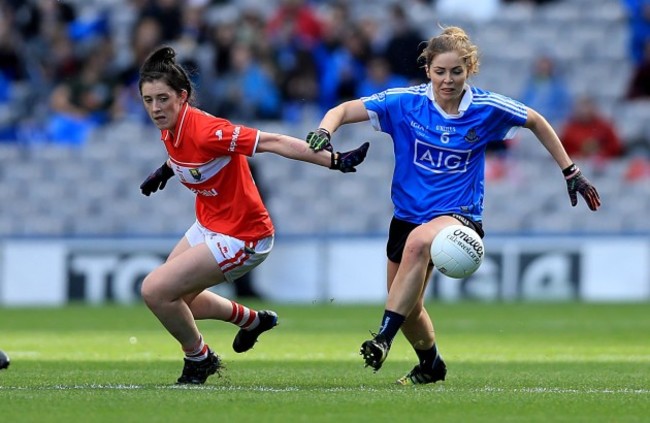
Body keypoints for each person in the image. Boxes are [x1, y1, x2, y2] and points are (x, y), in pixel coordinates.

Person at [305, 26, 601, 385]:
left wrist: (571, 171)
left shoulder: (486, 107)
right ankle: (431, 365)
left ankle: (382, 338)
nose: (448, 80)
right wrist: (325, 132)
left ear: (469, 70)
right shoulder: (404, 102)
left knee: (417, 248)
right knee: (408, 306)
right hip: (406, 217)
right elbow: (342, 109)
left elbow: (536, 121)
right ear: (427, 70)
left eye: (456, 72)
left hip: (459, 217)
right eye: (440, 71)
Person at [137, 45, 369, 385]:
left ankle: (199, 359)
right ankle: (252, 321)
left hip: (244, 236)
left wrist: (332, 161)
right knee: (179, 300)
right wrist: (166, 170)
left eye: (163, 99)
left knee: (155, 290)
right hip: (209, 224)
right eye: (148, 100)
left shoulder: (208, 130)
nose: (155, 108)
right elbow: (188, 157)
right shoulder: (169, 126)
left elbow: (273, 141)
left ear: (182, 96)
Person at [560, 95, 623, 160]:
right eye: (582, 107)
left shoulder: (604, 126)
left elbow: (616, 147)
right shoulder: (569, 129)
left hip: (603, 163)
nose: (585, 110)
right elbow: (562, 151)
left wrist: (600, 151)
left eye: (587, 106)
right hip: (577, 163)